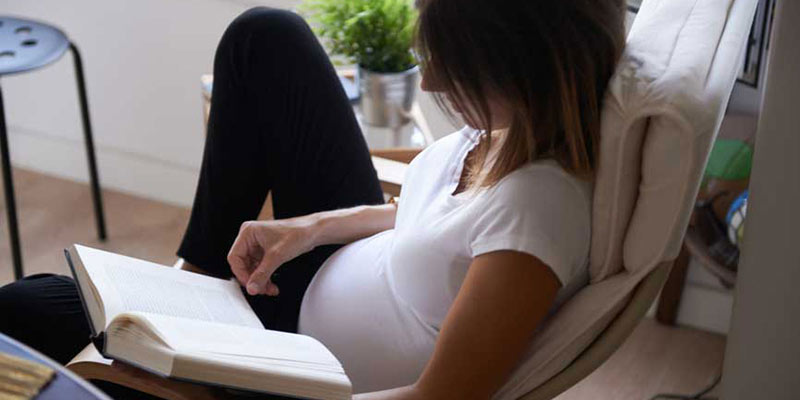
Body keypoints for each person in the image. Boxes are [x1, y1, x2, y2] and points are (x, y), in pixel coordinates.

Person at [0, 0, 625, 398]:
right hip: (312, 278)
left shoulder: (538, 217)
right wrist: (310, 228)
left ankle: (181, 324)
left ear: (524, 71)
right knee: (266, 36)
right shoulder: (510, 126)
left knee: (24, 308)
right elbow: (440, 222)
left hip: (294, 365)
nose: (431, 81)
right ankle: (195, 285)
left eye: (455, 69)